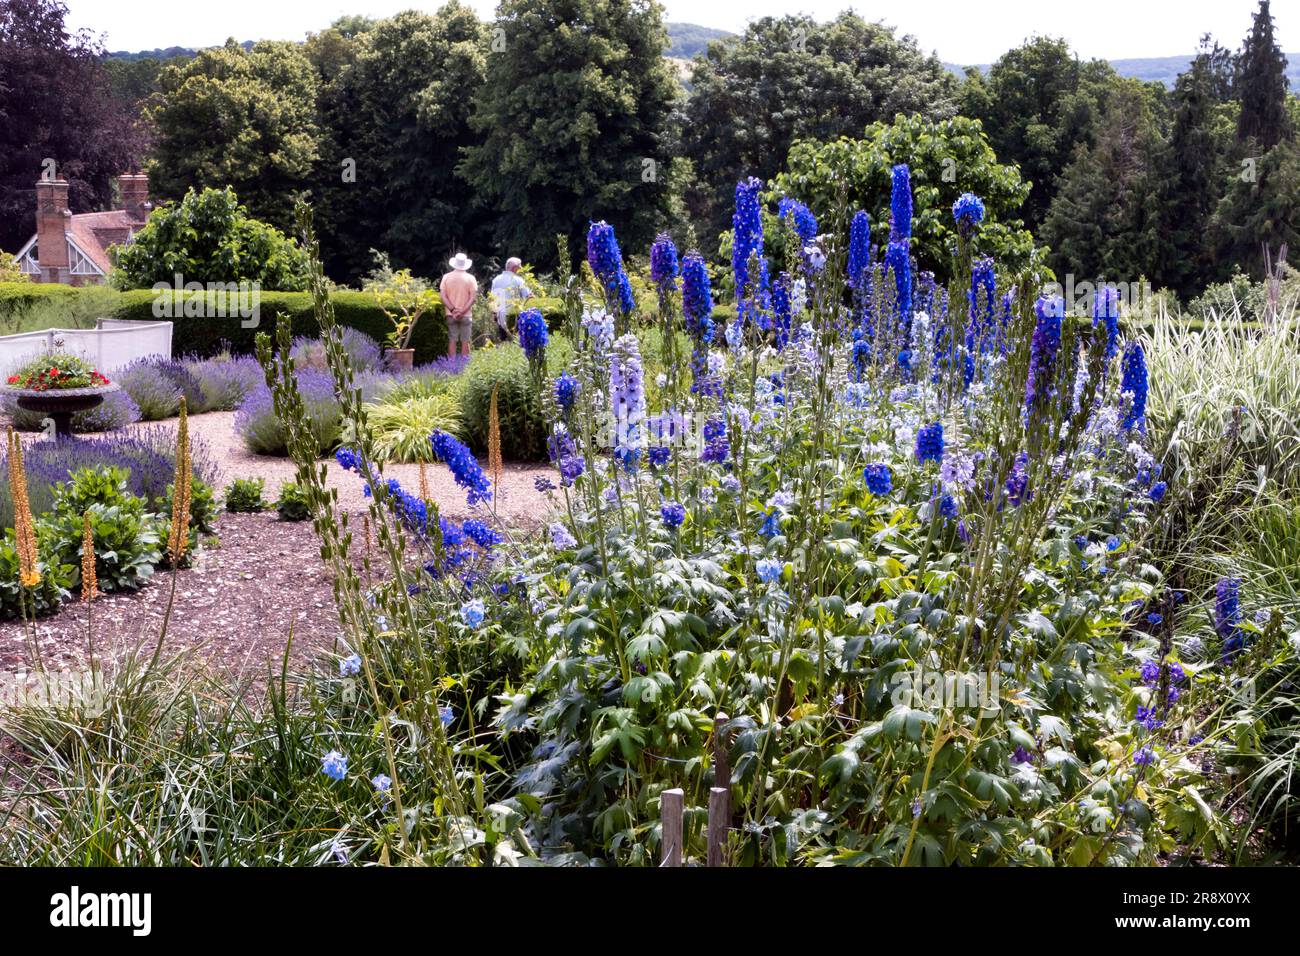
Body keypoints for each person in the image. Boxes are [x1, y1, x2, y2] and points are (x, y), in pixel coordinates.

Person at [439, 253, 478, 358]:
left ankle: (452, 366)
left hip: (450, 314)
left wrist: (453, 310)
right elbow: (473, 298)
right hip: (466, 315)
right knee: (465, 341)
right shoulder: (471, 278)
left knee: (452, 340)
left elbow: (443, 296)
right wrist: (462, 311)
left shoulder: (446, 277)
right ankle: (464, 367)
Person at [489, 257, 531, 341]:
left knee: (504, 341)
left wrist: (494, 314)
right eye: (520, 267)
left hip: (501, 316)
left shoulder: (495, 280)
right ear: (515, 268)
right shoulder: (518, 280)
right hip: (515, 316)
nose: (521, 269)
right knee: (517, 341)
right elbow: (528, 296)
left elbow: (493, 299)